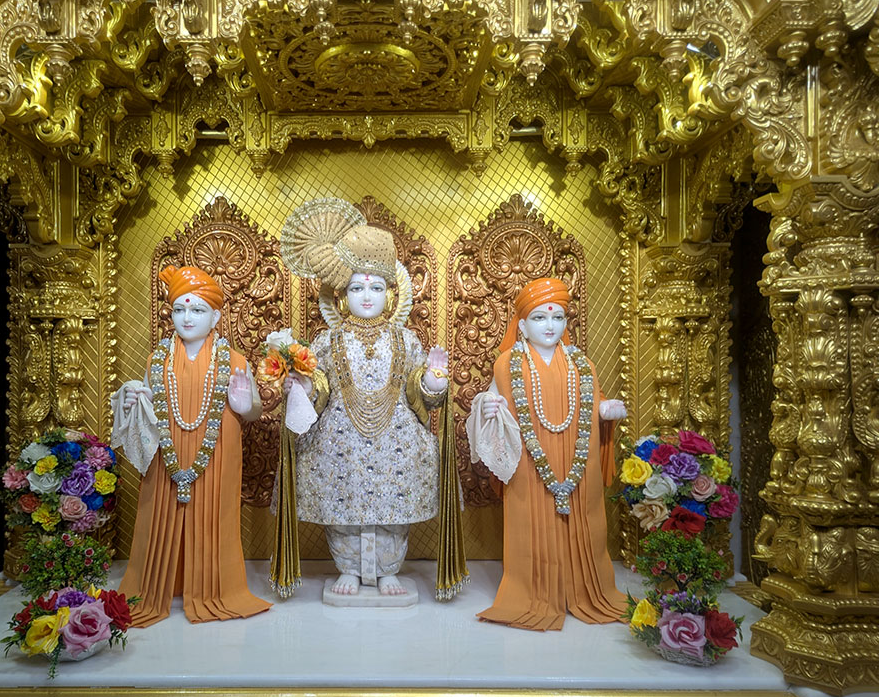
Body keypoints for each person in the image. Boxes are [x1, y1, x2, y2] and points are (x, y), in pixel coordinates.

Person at [278, 198, 453, 600]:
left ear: (392, 294)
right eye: (357, 287)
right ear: (340, 297)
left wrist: (433, 380)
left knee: (393, 506)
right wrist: (302, 388)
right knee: (345, 509)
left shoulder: (406, 339)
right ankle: (350, 570)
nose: (367, 295)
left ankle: (390, 569)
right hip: (340, 438)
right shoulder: (327, 340)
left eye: (376, 286)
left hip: (396, 435)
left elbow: (419, 392)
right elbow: (319, 384)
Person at [113, 265, 271, 626]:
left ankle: (215, 588)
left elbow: (253, 412)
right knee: (161, 512)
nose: (187, 318)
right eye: (180, 309)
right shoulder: (158, 360)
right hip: (167, 455)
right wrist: (132, 400)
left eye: (197, 310)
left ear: (216, 316)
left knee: (214, 513)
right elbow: (149, 407)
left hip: (215, 451)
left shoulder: (234, 361)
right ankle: (161, 584)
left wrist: (246, 403)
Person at [468, 277, 626, 630]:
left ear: (567, 322)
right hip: (528, 459)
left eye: (557, 318)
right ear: (521, 325)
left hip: (577, 457)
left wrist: (607, 410)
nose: (550, 326)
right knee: (528, 521)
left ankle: (584, 590)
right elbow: (489, 400)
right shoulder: (507, 363)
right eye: (539, 318)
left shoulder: (581, 363)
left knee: (585, 523)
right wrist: (488, 406)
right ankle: (532, 592)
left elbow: (594, 402)